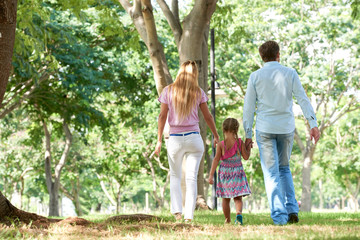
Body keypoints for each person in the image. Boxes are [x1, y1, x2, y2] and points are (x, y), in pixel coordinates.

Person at [243, 40, 320, 225]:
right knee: (284, 168)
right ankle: (292, 210)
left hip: (265, 129)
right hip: (286, 128)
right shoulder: (290, 73)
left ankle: (279, 216)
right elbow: (302, 98)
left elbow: (248, 107)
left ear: (262, 57)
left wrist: (247, 134)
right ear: (279, 55)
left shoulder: (255, 76)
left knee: (271, 173)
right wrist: (313, 123)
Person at [154, 60, 220, 223]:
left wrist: (159, 140)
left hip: (175, 139)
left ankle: (177, 213)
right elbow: (208, 116)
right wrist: (216, 135)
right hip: (194, 139)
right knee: (191, 178)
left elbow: (162, 116)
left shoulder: (168, 91)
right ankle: (189, 216)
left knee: (175, 176)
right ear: (194, 75)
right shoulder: (198, 92)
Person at [208, 118, 251, 225]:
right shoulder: (239, 142)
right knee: (238, 197)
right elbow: (246, 157)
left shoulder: (221, 145)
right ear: (236, 129)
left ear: (223, 129)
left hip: (225, 174)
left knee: (225, 199)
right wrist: (248, 147)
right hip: (237, 172)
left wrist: (211, 175)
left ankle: (227, 220)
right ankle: (238, 214)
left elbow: (216, 159)